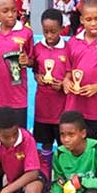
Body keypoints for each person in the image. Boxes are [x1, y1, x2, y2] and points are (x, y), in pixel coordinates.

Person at [63, 0, 97, 141]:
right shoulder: (73, 42)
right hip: (74, 104)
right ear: (82, 20)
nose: (93, 23)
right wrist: (66, 81)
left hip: (96, 106)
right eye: (88, 19)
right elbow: (68, 71)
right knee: (73, 143)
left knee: (94, 145)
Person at [0, 0, 33, 128]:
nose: (11, 15)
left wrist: (27, 61)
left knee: (18, 133)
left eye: (14, 10)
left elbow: (33, 61)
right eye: (5, 11)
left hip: (18, 95)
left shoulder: (26, 33)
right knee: (1, 133)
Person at [32, 9, 69, 165]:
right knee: (45, 142)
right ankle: (46, 173)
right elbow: (34, 69)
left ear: (61, 29)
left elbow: (71, 72)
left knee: (64, 143)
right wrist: (38, 77)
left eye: (53, 31)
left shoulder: (68, 48)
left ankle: (63, 172)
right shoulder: (37, 48)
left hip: (62, 106)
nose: (49, 35)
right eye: (46, 31)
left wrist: (62, 84)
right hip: (43, 106)